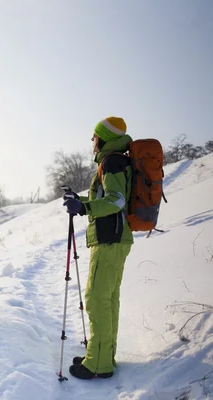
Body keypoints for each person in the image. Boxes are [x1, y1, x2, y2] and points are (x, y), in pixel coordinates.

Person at [63, 116, 134, 380]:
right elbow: (105, 198)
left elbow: (115, 200)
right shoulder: (116, 161)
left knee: (95, 299)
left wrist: (85, 208)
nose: (92, 141)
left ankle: (97, 363)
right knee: (108, 299)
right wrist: (79, 200)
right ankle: (104, 355)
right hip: (116, 239)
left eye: (94, 137)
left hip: (109, 239)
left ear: (104, 138)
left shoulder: (111, 162)